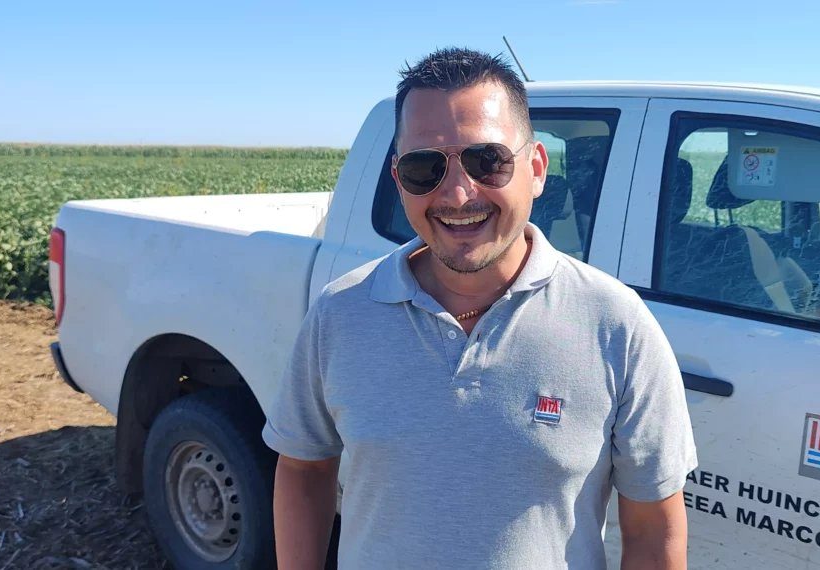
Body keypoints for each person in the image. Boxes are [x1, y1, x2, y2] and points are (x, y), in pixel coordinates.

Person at [262, 47, 698, 569]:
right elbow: (304, 468)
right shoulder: (340, 314)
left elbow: (652, 528)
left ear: (536, 168)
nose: (457, 194)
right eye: (425, 167)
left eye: (487, 160)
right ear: (399, 180)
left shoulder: (617, 325)